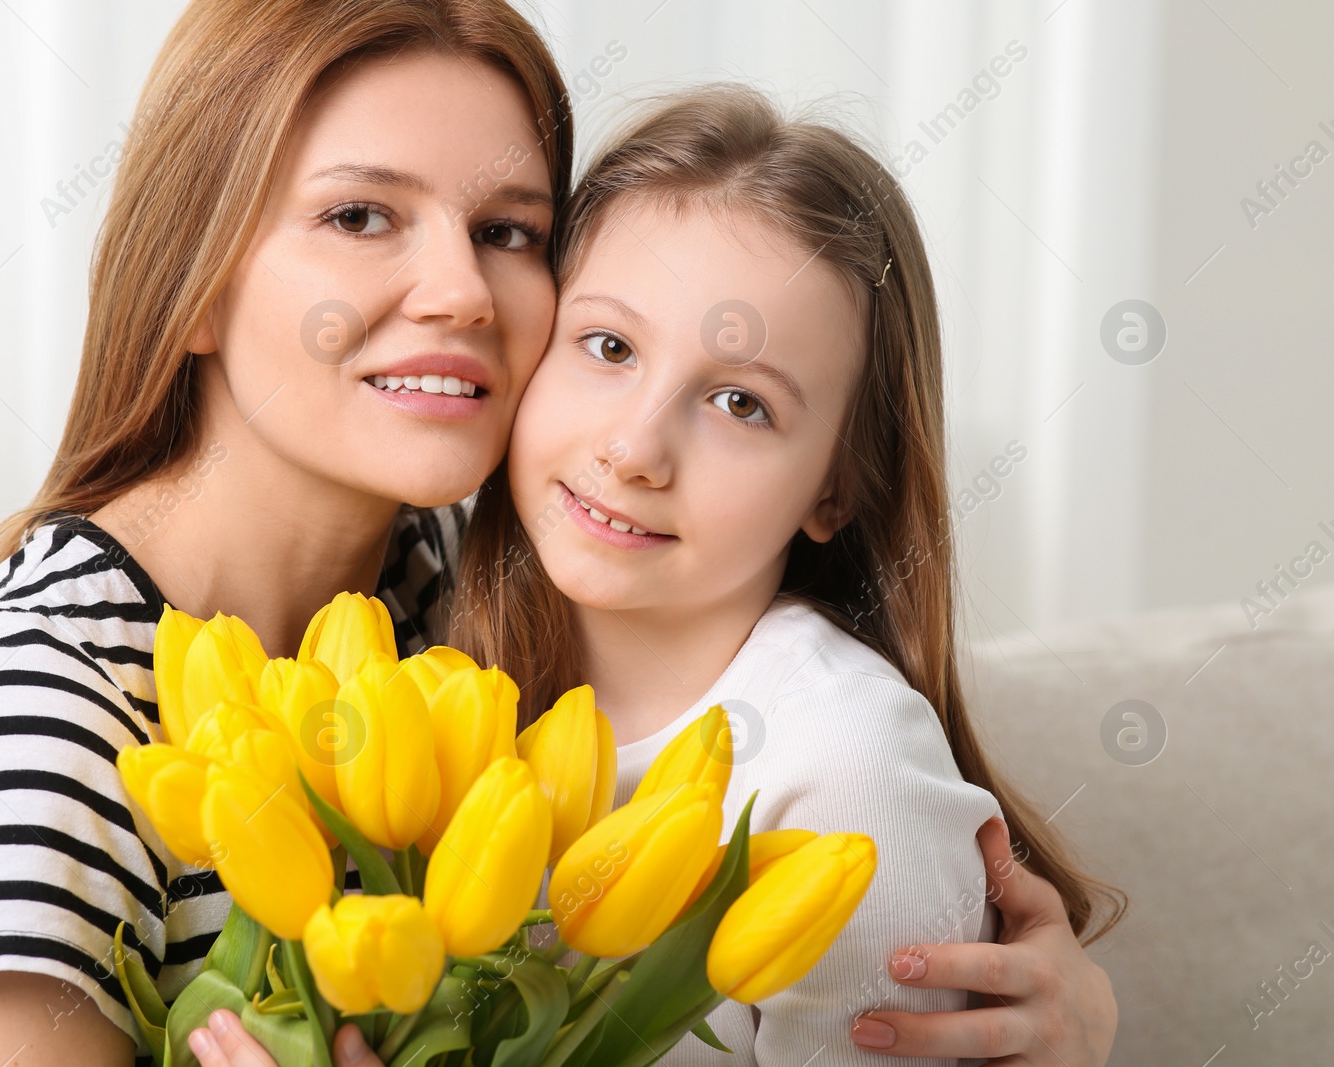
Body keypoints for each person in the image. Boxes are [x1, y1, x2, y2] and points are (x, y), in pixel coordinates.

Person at [0, 2, 1117, 1065]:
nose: (462, 289)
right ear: (192, 274)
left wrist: (1075, 1019)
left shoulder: (456, 609)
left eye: (509, 231)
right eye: (360, 216)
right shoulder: (27, 707)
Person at [443, 83, 1126, 1066]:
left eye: (738, 402)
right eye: (608, 345)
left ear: (834, 490)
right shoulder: (429, 643)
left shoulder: (843, 768)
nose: (635, 447)